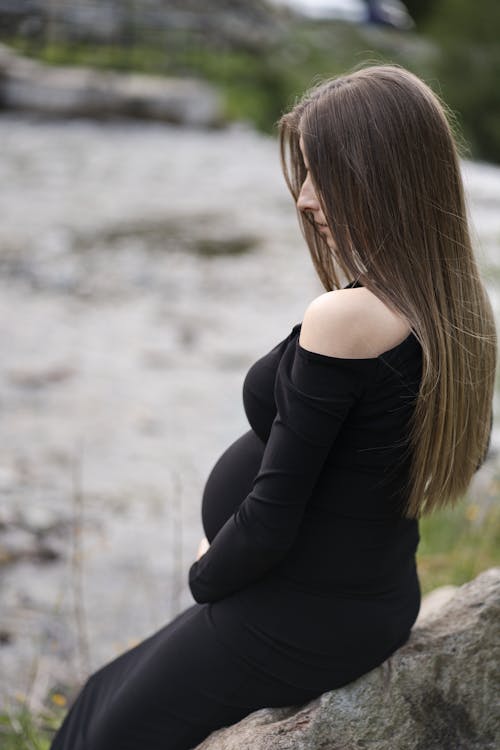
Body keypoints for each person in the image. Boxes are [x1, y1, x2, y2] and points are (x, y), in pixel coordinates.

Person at [49, 63, 496, 750]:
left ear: (382, 177)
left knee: (104, 736)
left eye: (325, 175)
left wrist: (205, 568)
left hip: (300, 610)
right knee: (99, 691)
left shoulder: (347, 318)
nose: (307, 199)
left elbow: (268, 521)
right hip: (365, 590)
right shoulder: (451, 307)